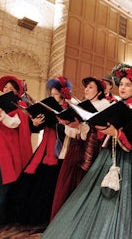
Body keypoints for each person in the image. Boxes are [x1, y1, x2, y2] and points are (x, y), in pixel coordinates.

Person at [41, 63, 132, 239]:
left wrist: (117, 133)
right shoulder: (118, 106)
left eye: (127, 84)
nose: (123, 88)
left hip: (131, 163)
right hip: (108, 157)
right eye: (122, 84)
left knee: (124, 205)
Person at [7, 76, 72, 225]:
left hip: (59, 151)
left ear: (63, 94)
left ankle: (42, 219)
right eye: (51, 94)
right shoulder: (48, 106)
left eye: (55, 94)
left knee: (48, 186)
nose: (53, 97)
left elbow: (70, 132)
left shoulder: (68, 108)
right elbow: (37, 128)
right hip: (43, 149)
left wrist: (61, 122)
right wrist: (35, 123)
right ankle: (23, 217)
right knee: (26, 183)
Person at [50, 76, 110, 219]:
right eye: (86, 87)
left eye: (91, 87)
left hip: (91, 151)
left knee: (82, 185)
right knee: (67, 185)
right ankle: (63, 219)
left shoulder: (104, 106)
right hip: (75, 147)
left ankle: (78, 219)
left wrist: (81, 127)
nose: (86, 89)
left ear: (99, 92)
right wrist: (68, 124)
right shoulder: (81, 105)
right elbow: (73, 132)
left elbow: (96, 133)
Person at [0, 75, 33, 227]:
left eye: (10, 89)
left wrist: (2, 114)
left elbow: (15, 123)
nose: (6, 90)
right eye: (5, 88)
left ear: (16, 93)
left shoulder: (19, 107)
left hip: (5, 150)